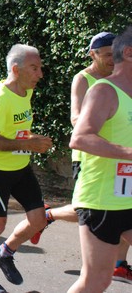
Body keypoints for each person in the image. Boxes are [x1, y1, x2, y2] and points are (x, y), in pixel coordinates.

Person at [30, 31, 131, 282]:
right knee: (86, 209)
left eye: (113, 54)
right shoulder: (86, 80)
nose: (110, 60)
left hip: (123, 176)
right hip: (91, 159)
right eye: (106, 55)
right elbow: (77, 121)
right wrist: (99, 118)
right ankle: (48, 215)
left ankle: (119, 263)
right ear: (92, 54)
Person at [0, 44, 53, 293]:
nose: (40, 73)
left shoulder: (26, 91)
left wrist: (30, 140)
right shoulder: (0, 97)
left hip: (21, 165)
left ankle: (5, 252)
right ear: (16, 70)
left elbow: (17, 129)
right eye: (34, 68)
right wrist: (28, 142)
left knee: (38, 220)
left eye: (40, 67)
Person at [68, 26, 132, 293]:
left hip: (128, 196)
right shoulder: (104, 90)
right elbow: (80, 138)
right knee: (96, 281)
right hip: (102, 199)